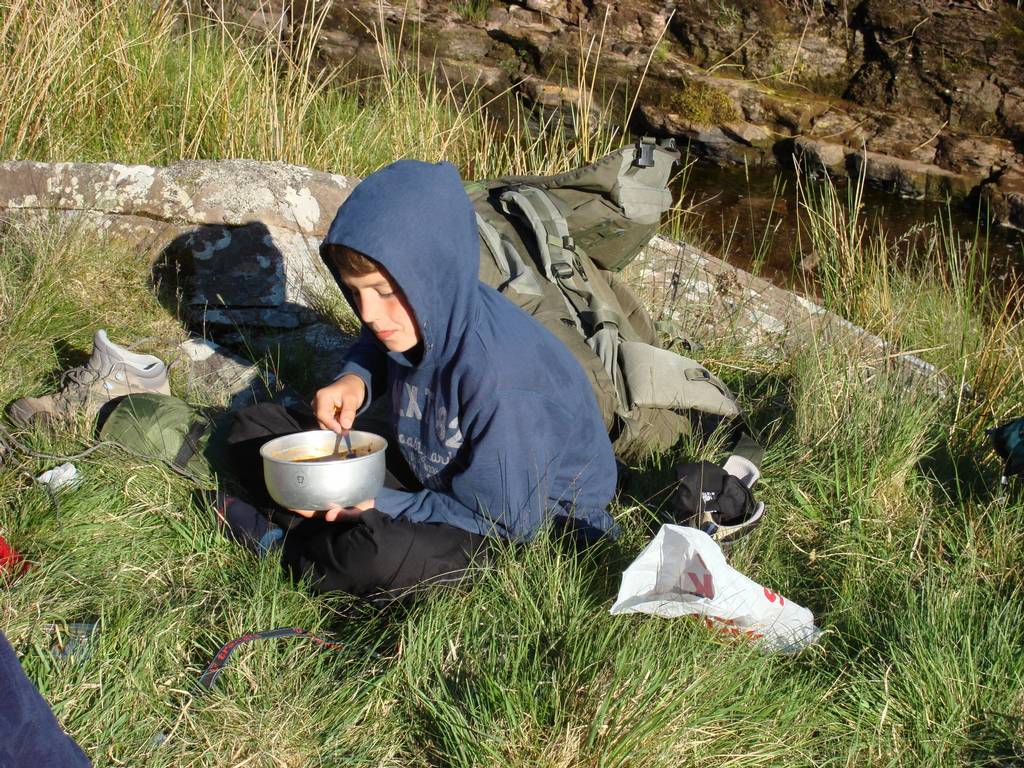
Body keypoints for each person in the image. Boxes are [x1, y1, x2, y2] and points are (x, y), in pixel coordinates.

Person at [223, 159, 618, 600]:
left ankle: (287, 545)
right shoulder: (425, 310)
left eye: (385, 292)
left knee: (373, 554)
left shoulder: (504, 381)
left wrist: (379, 505)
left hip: (520, 528)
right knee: (254, 431)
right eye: (356, 292)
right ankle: (323, 526)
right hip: (432, 476)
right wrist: (356, 379)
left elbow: (507, 520)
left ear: (431, 274)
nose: (369, 313)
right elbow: (376, 344)